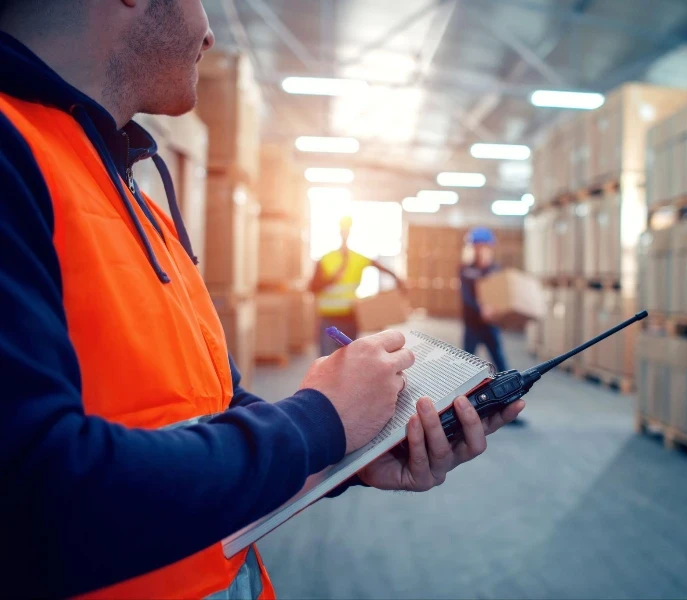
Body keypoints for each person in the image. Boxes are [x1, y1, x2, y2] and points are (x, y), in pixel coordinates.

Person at [0, 1, 525, 598]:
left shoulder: (135, 202)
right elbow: (32, 496)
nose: (210, 32)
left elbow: (206, 414)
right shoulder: (14, 158)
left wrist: (345, 453)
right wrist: (319, 419)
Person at [309, 215, 405, 356]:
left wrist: (398, 280)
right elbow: (312, 287)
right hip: (328, 320)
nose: (345, 233)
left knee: (349, 361)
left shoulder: (358, 258)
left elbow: (380, 267)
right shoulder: (326, 259)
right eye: (344, 230)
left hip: (350, 317)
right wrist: (332, 279)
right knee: (326, 362)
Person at [459, 227, 510, 373]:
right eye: (478, 246)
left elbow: (499, 294)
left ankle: (508, 387)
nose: (481, 250)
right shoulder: (466, 269)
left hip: (490, 323)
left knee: (498, 357)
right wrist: (480, 308)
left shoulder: (495, 268)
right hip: (472, 322)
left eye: (485, 246)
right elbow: (466, 297)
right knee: (467, 359)